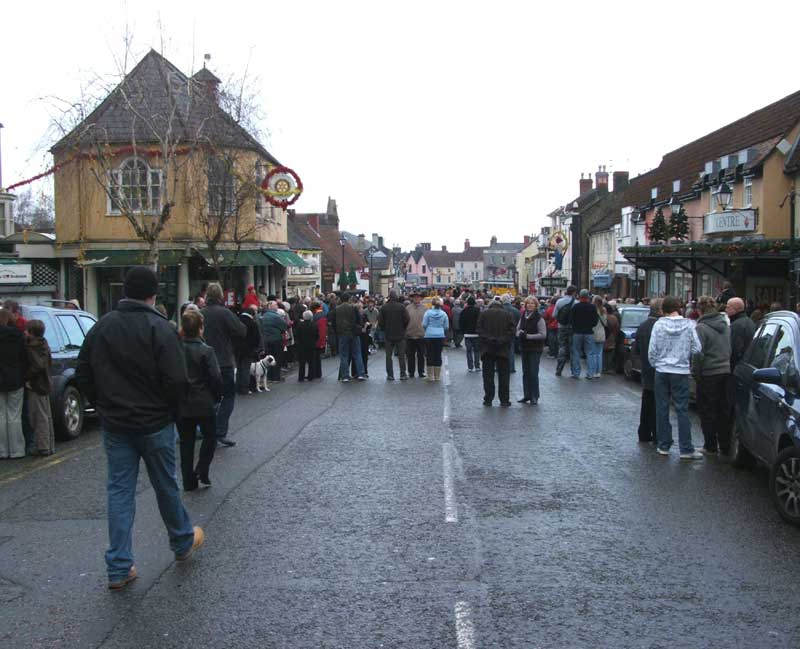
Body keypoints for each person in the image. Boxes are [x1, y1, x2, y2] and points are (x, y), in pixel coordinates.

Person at [76, 266, 203, 591]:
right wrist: (171, 412)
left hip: (116, 423)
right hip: (155, 421)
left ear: (125, 291)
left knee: (119, 491)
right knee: (165, 484)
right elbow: (177, 380)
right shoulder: (160, 328)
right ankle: (182, 540)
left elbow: (83, 372)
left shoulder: (102, 327)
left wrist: (102, 404)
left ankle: (119, 566)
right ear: (153, 293)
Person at [648, 295, 703, 460]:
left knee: (662, 408)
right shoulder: (689, 325)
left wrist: (656, 364)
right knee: (682, 409)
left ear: (663, 309)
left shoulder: (658, 325)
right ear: (678, 308)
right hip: (680, 371)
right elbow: (697, 348)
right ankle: (686, 449)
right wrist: (685, 356)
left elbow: (652, 350)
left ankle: (663, 445)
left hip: (662, 370)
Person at [177, 309, 222, 491]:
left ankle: (188, 481)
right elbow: (215, 377)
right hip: (204, 401)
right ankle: (202, 468)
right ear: (200, 328)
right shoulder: (206, 351)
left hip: (182, 402)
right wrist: (216, 396)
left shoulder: (176, 349)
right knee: (211, 436)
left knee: (186, 443)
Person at [202, 284, 246, 447]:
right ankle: (220, 431)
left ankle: (208, 431)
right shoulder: (225, 313)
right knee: (228, 397)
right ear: (220, 296)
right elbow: (241, 331)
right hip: (224, 361)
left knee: (209, 398)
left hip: (204, 361)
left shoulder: (200, 313)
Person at [692, 295, 732, 454]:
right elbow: (729, 348)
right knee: (723, 410)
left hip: (709, 373)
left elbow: (698, 353)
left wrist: (696, 372)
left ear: (699, 310)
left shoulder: (701, 328)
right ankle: (725, 445)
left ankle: (710, 445)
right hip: (725, 371)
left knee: (708, 410)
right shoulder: (725, 325)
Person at [24, 319, 55, 456]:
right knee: (46, 415)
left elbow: (38, 365)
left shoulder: (33, 347)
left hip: (36, 384)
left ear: (31, 332)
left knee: (38, 416)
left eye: (27, 330)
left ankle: (42, 447)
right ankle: (49, 444)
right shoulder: (44, 344)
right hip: (45, 382)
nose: (25, 332)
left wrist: (27, 377)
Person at [477, 298, 515, 406]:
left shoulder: (484, 314)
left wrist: (489, 339)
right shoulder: (508, 315)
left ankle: (488, 398)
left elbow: (479, 330)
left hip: (487, 349)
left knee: (488, 376)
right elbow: (512, 331)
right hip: (503, 349)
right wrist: (502, 340)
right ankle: (504, 399)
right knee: (504, 376)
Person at [0, 308, 28, 459]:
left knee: (1, 415)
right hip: (15, 378)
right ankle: (17, 450)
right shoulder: (18, 335)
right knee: (14, 415)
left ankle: (2, 450)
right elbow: (24, 357)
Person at [633, 299, 662, 443]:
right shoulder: (661, 327)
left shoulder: (642, 326)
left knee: (647, 402)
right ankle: (657, 434)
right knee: (659, 403)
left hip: (646, 368)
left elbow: (636, 350)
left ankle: (644, 433)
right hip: (659, 369)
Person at [517, 297, 546, 404]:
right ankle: (527, 395)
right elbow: (517, 329)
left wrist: (528, 336)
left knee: (533, 372)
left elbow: (543, 334)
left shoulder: (539, 318)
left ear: (536, 305)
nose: (530, 305)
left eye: (532, 303)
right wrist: (519, 334)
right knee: (526, 372)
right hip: (524, 348)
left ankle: (534, 396)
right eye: (528, 303)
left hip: (535, 348)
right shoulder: (523, 316)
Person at [378, 290, 410, 381]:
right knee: (401, 356)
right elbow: (407, 319)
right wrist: (403, 327)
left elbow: (380, 321)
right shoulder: (401, 307)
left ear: (389, 297)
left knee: (388, 356)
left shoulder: (384, 307)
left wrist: (384, 329)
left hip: (388, 334)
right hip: (400, 334)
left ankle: (390, 375)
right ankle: (403, 374)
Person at [335, 294, 366, 382]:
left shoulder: (337, 309)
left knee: (344, 355)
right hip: (353, 333)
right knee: (357, 353)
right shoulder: (353, 308)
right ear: (349, 299)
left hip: (342, 334)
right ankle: (360, 374)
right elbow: (359, 320)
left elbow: (334, 322)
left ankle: (345, 376)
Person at [569, 289, 599, 379]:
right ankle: (590, 374)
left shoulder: (575, 307)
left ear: (580, 297)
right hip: (589, 332)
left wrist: (575, 326)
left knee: (576, 352)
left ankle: (576, 373)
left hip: (577, 332)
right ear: (588, 297)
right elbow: (595, 321)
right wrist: (590, 325)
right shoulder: (592, 307)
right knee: (590, 353)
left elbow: (571, 320)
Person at [235, 304, 263, 395]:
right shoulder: (252, 323)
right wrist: (256, 348)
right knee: (246, 368)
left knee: (239, 368)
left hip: (237, 348)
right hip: (248, 349)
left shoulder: (237, 320)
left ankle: (238, 387)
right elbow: (256, 338)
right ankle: (244, 388)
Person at [259, 301, 288, 384]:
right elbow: (284, 326)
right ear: (271, 306)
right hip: (276, 339)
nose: (277, 306)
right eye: (275, 305)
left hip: (266, 340)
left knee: (268, 358)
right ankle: (276, 377)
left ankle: (269, 376)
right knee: (277, 358)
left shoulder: (262, 316)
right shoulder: (276, 316)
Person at [422, 296, 449, 382]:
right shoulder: (443, 314)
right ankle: (437, 376)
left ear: (432, 304)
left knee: (429, 354)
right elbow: (446, 326)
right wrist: (441, 330)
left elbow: (424, 324)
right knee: (438, 355)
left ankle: (430, 376)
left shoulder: (428, 313)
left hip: (429, 335)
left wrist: (428, 330)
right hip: (440, 336)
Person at [726, 297, 756, 370]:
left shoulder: (737, 325)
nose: (726, 310)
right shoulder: (749, 321)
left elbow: (734, 349)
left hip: (738, 367)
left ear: (735, 309)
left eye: (728, 307)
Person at [553, 285, 577, 376]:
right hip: (572, 328)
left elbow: (554, 315)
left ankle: (559, 369)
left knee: (562, 347)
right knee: (573, 348)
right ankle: (574, 371)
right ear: (574, 292)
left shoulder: (559, 301)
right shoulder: (576, 303)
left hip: (562, 327)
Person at [405, 292, 428, 378]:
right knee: (410, 355)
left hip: (421, 335)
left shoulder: (425, 309)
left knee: (421, 355)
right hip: (410, 335)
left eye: (418, 297)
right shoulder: (408, 308)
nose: (416, 299)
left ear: (421, 298)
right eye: (415, 297)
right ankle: (411, 372)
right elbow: (404, 320)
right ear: (412, 298)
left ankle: (421, 371)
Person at [296, 311, 319, 381]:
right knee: (311, 362)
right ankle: (311, 376)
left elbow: (297, 335)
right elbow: (317, 335)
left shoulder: (299, 325)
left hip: (301, 346)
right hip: (311, 345)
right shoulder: (314, 325)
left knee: (302, 362)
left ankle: (301, 377)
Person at [460, 297, 481, 372]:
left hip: (467, 334)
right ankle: (477, 366)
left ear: (467, 303)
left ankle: (470, 367)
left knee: (468, 351)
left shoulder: (464, 311)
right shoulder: (478, 311)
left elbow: (461, 322)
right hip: (476, 334)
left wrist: (463, 331)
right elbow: (481, 321)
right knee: (476, 351)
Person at [501, 294, 521, 373]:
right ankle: (511, 367)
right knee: (511, 351)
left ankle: (500, 367)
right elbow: (519, 322)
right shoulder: (516, 310)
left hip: (501, 333)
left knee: (500, 351)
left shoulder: (500, 310)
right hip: (512, 333)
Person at [589, 296, 607, 380]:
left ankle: (593, 371)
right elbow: (605, 323)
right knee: (599, 354)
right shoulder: (604, 310)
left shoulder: (592, 309)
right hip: (601, 333)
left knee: (593, 353)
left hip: (593, 332)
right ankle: (598, 372)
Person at [311, 301, 328, 380]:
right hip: (321, 338)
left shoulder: (315, 316)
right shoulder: (323, 314)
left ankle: (315, 372)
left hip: (316, 338)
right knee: (317, 357)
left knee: (315, 357)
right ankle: (318, 373)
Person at [603, 304, 620, 373]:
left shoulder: (603, 317)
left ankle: (603, 367)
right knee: (610, 353)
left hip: (603, 336)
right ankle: (609, 368)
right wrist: (614, 336)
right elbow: (617, 328)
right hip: (611, 337)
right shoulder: (614, 318)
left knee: (603, 352)